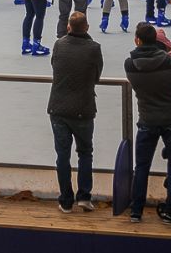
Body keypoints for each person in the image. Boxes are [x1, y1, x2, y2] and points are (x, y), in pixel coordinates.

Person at [125, 22, 171, 224]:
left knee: (142, 167)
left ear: (137, 40)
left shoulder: (130, 64)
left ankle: (136, 211)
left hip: (146, 120)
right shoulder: (168, 62)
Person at [48, 12, 103, 214]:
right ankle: (84, 196)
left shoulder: (59, 45)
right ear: (87, 27)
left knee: (62, 156)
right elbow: (97, 75)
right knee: (85, 153)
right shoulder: (94, 48)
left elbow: (55, 66)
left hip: (58, 108)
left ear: (69, 27)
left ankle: (65, 199)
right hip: (83, 108)